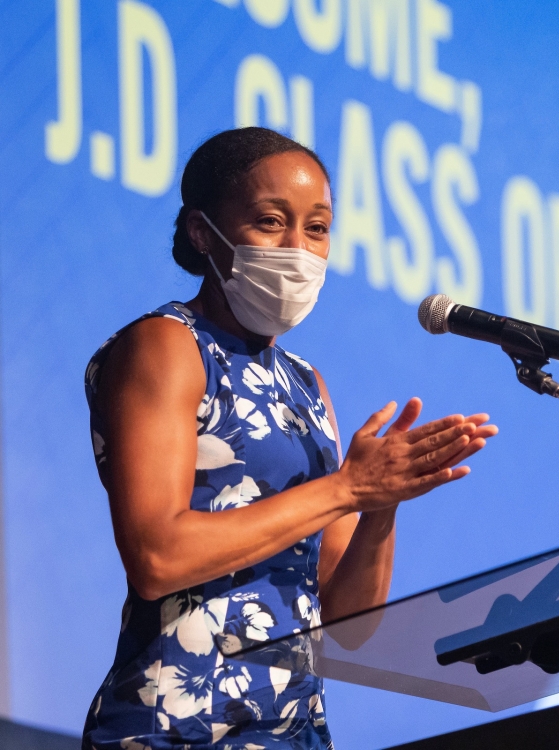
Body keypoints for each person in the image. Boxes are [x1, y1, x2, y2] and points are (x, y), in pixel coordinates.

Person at [81, 127, 497, 750]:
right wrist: (346, 487)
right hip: (177, 728)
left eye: (317, 228)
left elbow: (349, 627)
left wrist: (378, 507)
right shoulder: (167, 345)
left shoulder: (305, 384)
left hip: (292, 733)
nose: (297, 249)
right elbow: (156, 557)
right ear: (202, 233)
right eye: (271, 222)